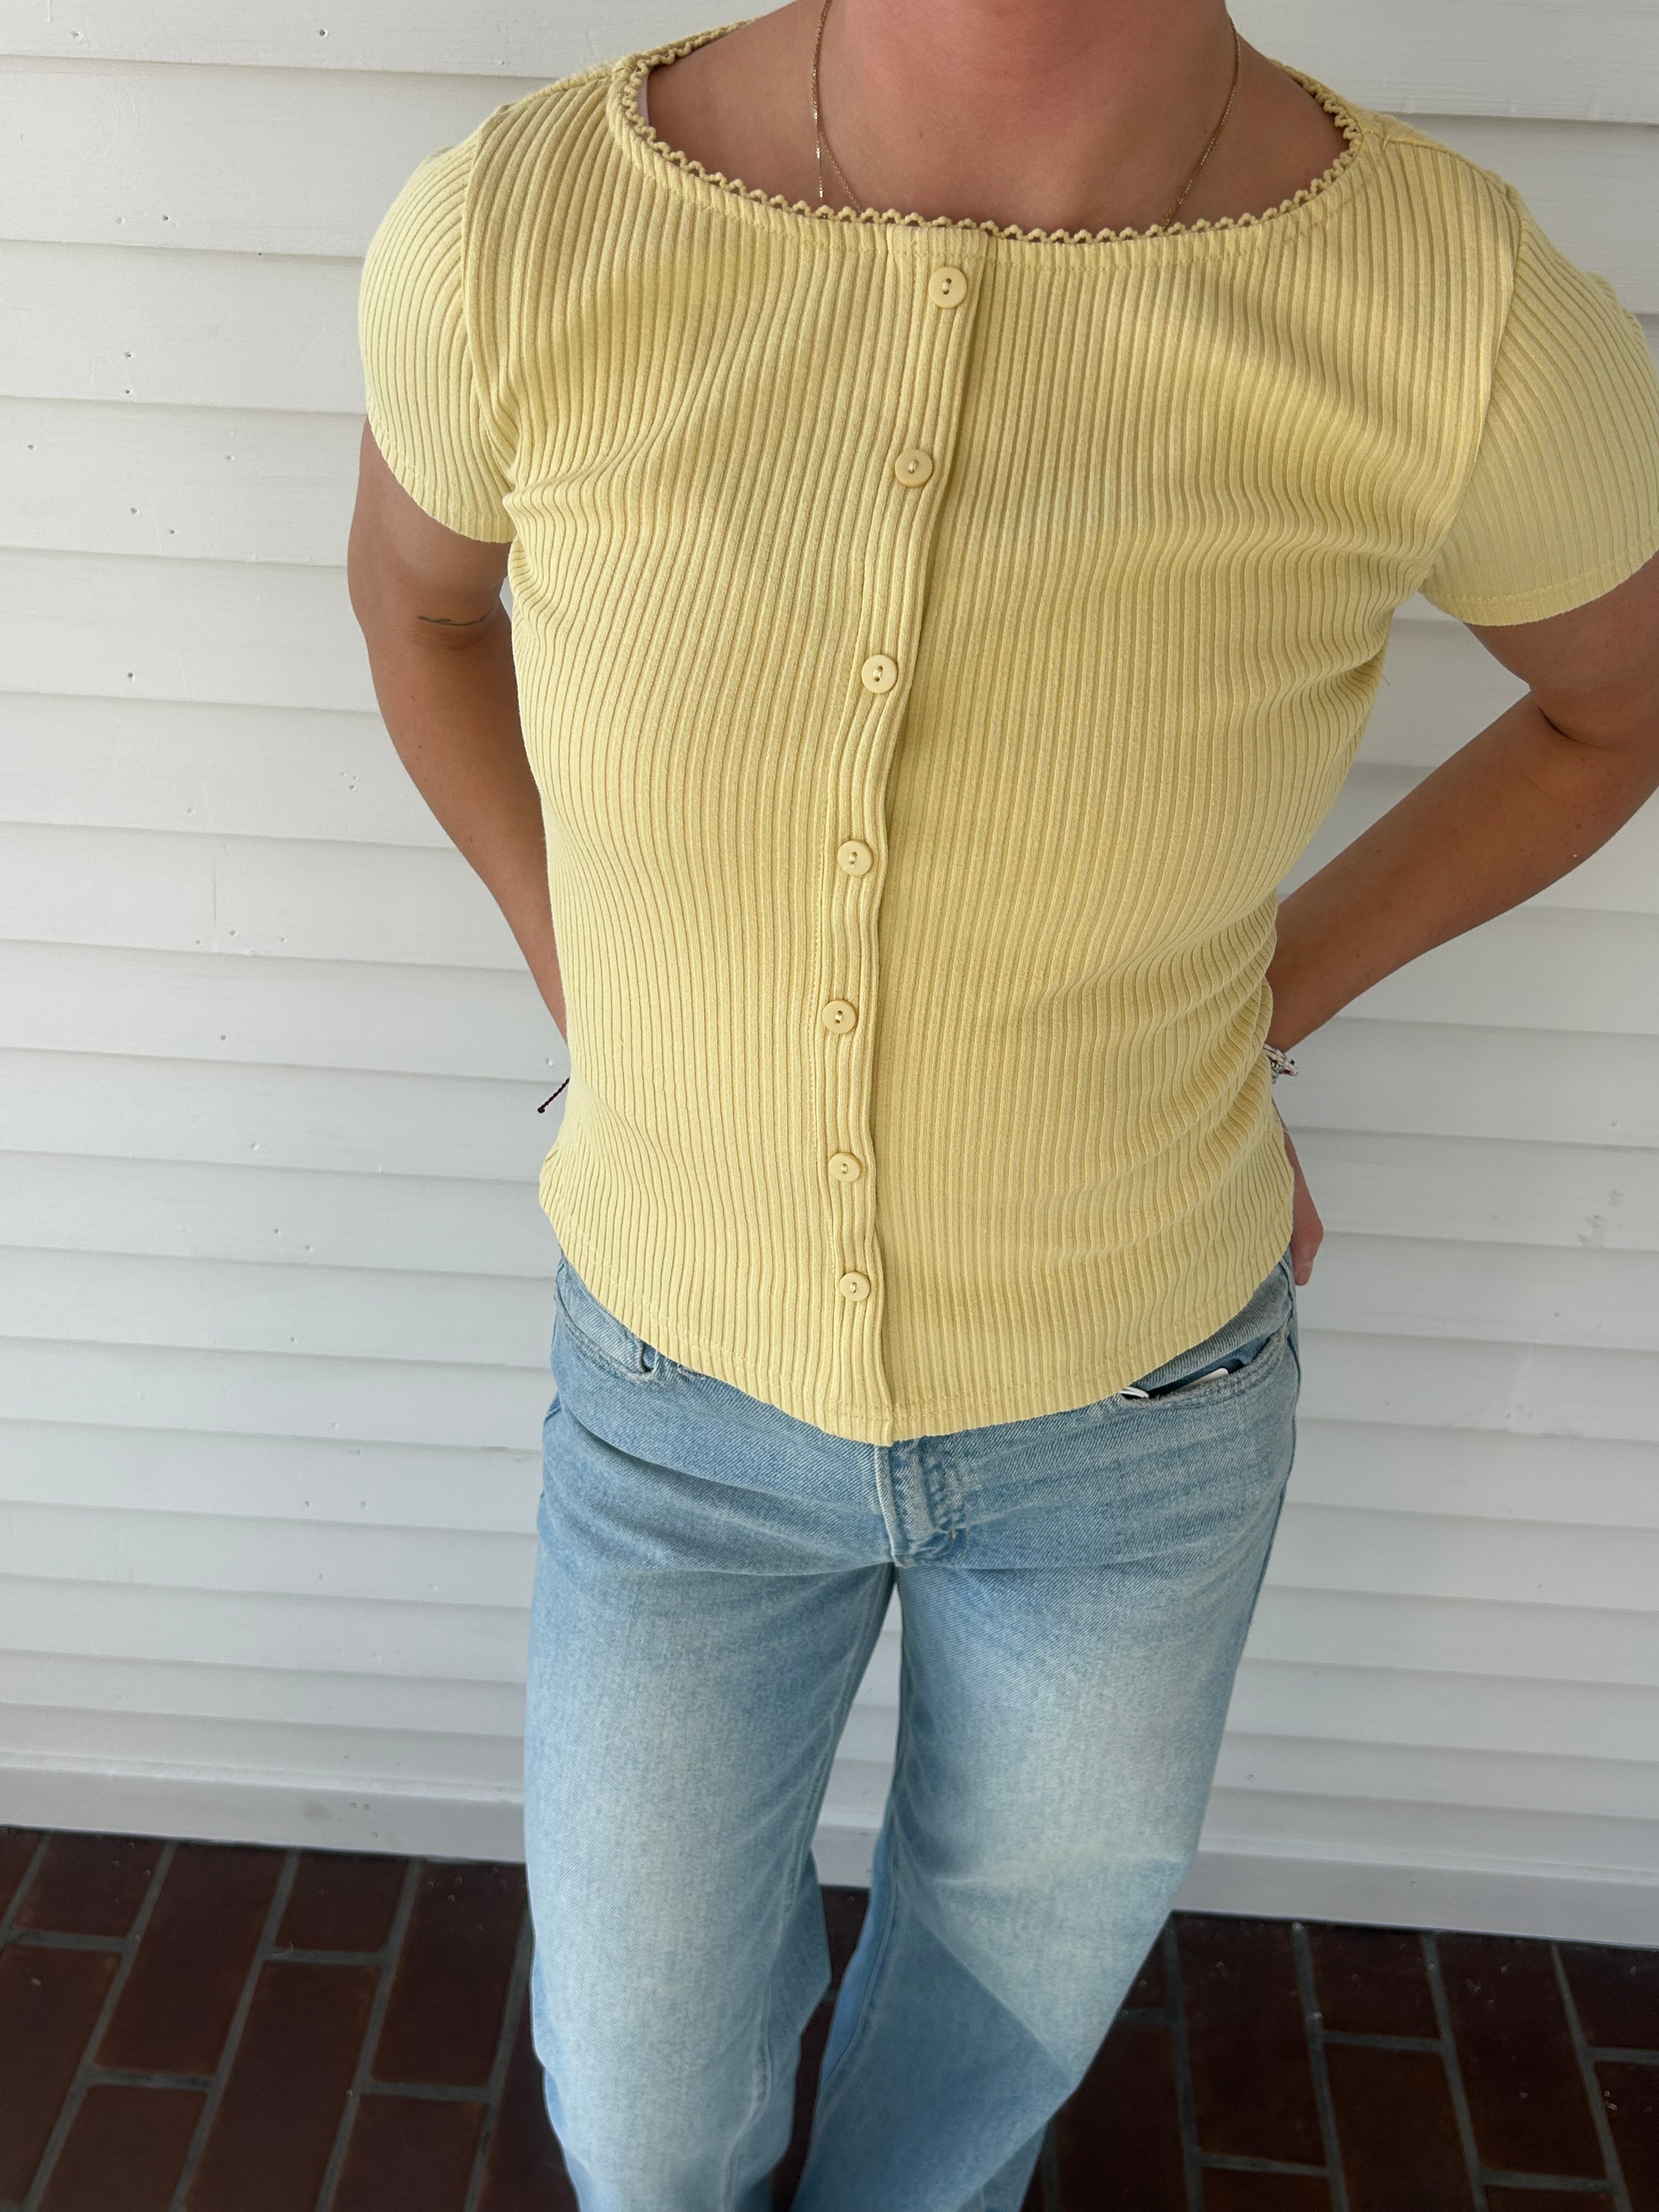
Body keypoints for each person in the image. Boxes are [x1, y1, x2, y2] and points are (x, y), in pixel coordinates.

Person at [347, 1, 1659, 2203]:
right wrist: (596, 965)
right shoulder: (530, 227)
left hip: (1136, 1421)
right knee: (640, 2096)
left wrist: (1266, 999)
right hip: (675, 1398)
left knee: (993, 2033)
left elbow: (1617, 703)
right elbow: (419, 604)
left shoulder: (1455, 308)